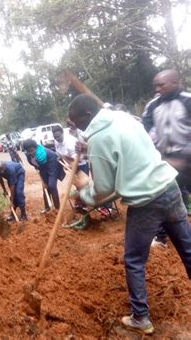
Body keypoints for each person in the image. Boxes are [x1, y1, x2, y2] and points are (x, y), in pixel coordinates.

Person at [69, 94, 191, 335]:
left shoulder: (99, 139)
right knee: (187, 249)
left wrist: (83, 193)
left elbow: (104, 188)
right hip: (169, 187)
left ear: (88, 116)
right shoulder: (121, 117)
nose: (75, 127)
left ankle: (141, 317)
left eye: (76, 122)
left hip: (146, 202)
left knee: (134, 261)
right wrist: (87, 146)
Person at [142, 69, 191, 220]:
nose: (157, 89)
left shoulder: (188, 100)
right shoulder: (152, 106)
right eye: (155, 86)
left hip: (188, 158)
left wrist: (185, 157)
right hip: (166, 161)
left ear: (175, 83)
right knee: (164, 197)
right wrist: (157, 156)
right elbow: (145, 133)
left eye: (161, 85)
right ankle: (163, 236)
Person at [22, 139, 65, 212]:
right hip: (42, 168)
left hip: (52, 164)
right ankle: (47, 207)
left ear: (35, 148)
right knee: (45, 187)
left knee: (51, 185)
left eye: (32, 150)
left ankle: (57, 208)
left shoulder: (45, 154)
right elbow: (36, 166)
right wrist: (43, 180)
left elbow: (52, 167)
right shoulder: (29, 156)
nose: (31, 153)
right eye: (28, 151)